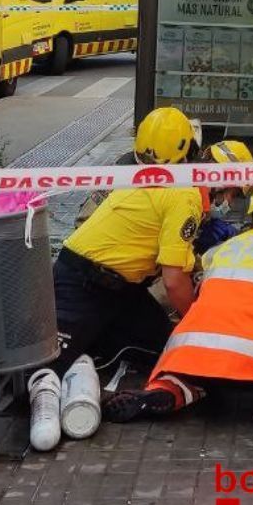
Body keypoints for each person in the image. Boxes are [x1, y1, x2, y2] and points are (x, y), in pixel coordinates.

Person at [103, 185, 253, 446]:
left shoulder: (218, 251)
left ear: (251, 217)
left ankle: (166, 391)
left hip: (190, 347)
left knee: (188, 377)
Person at [48, 106, 206, 375]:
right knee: (46, 371)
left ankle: (100, 344)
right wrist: (201, 325)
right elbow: (173, 280)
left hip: (117, 287)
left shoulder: (136, 177)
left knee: (166, 350)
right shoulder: (184, 194)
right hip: (86, 285)